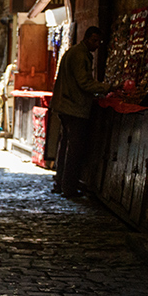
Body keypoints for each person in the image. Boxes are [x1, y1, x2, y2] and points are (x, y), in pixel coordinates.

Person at [51, 26, 111, 198]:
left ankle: (60, 183)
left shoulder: (75, 52)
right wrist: (107, 87)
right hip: (74, 107)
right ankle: (68, 187)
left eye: (99, 41)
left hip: (66, 105)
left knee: (65, 146)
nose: (97, 44)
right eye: (94, 40)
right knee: (74, 149)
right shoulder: (80, 55)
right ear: (86, 38)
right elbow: (84, 82)